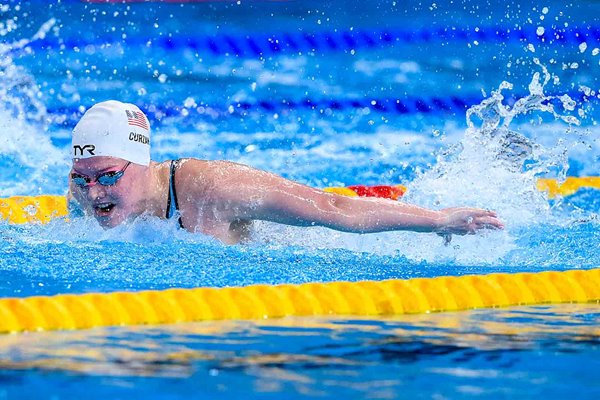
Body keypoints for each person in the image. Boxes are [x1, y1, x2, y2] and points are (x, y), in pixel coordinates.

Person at [69, 100, 503, 244]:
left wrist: (438, 220)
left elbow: (330, 208)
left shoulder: (214, 189)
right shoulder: (82, 189)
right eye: (81, 178)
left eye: (107, 177)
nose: (92, 193)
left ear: (142, 161)